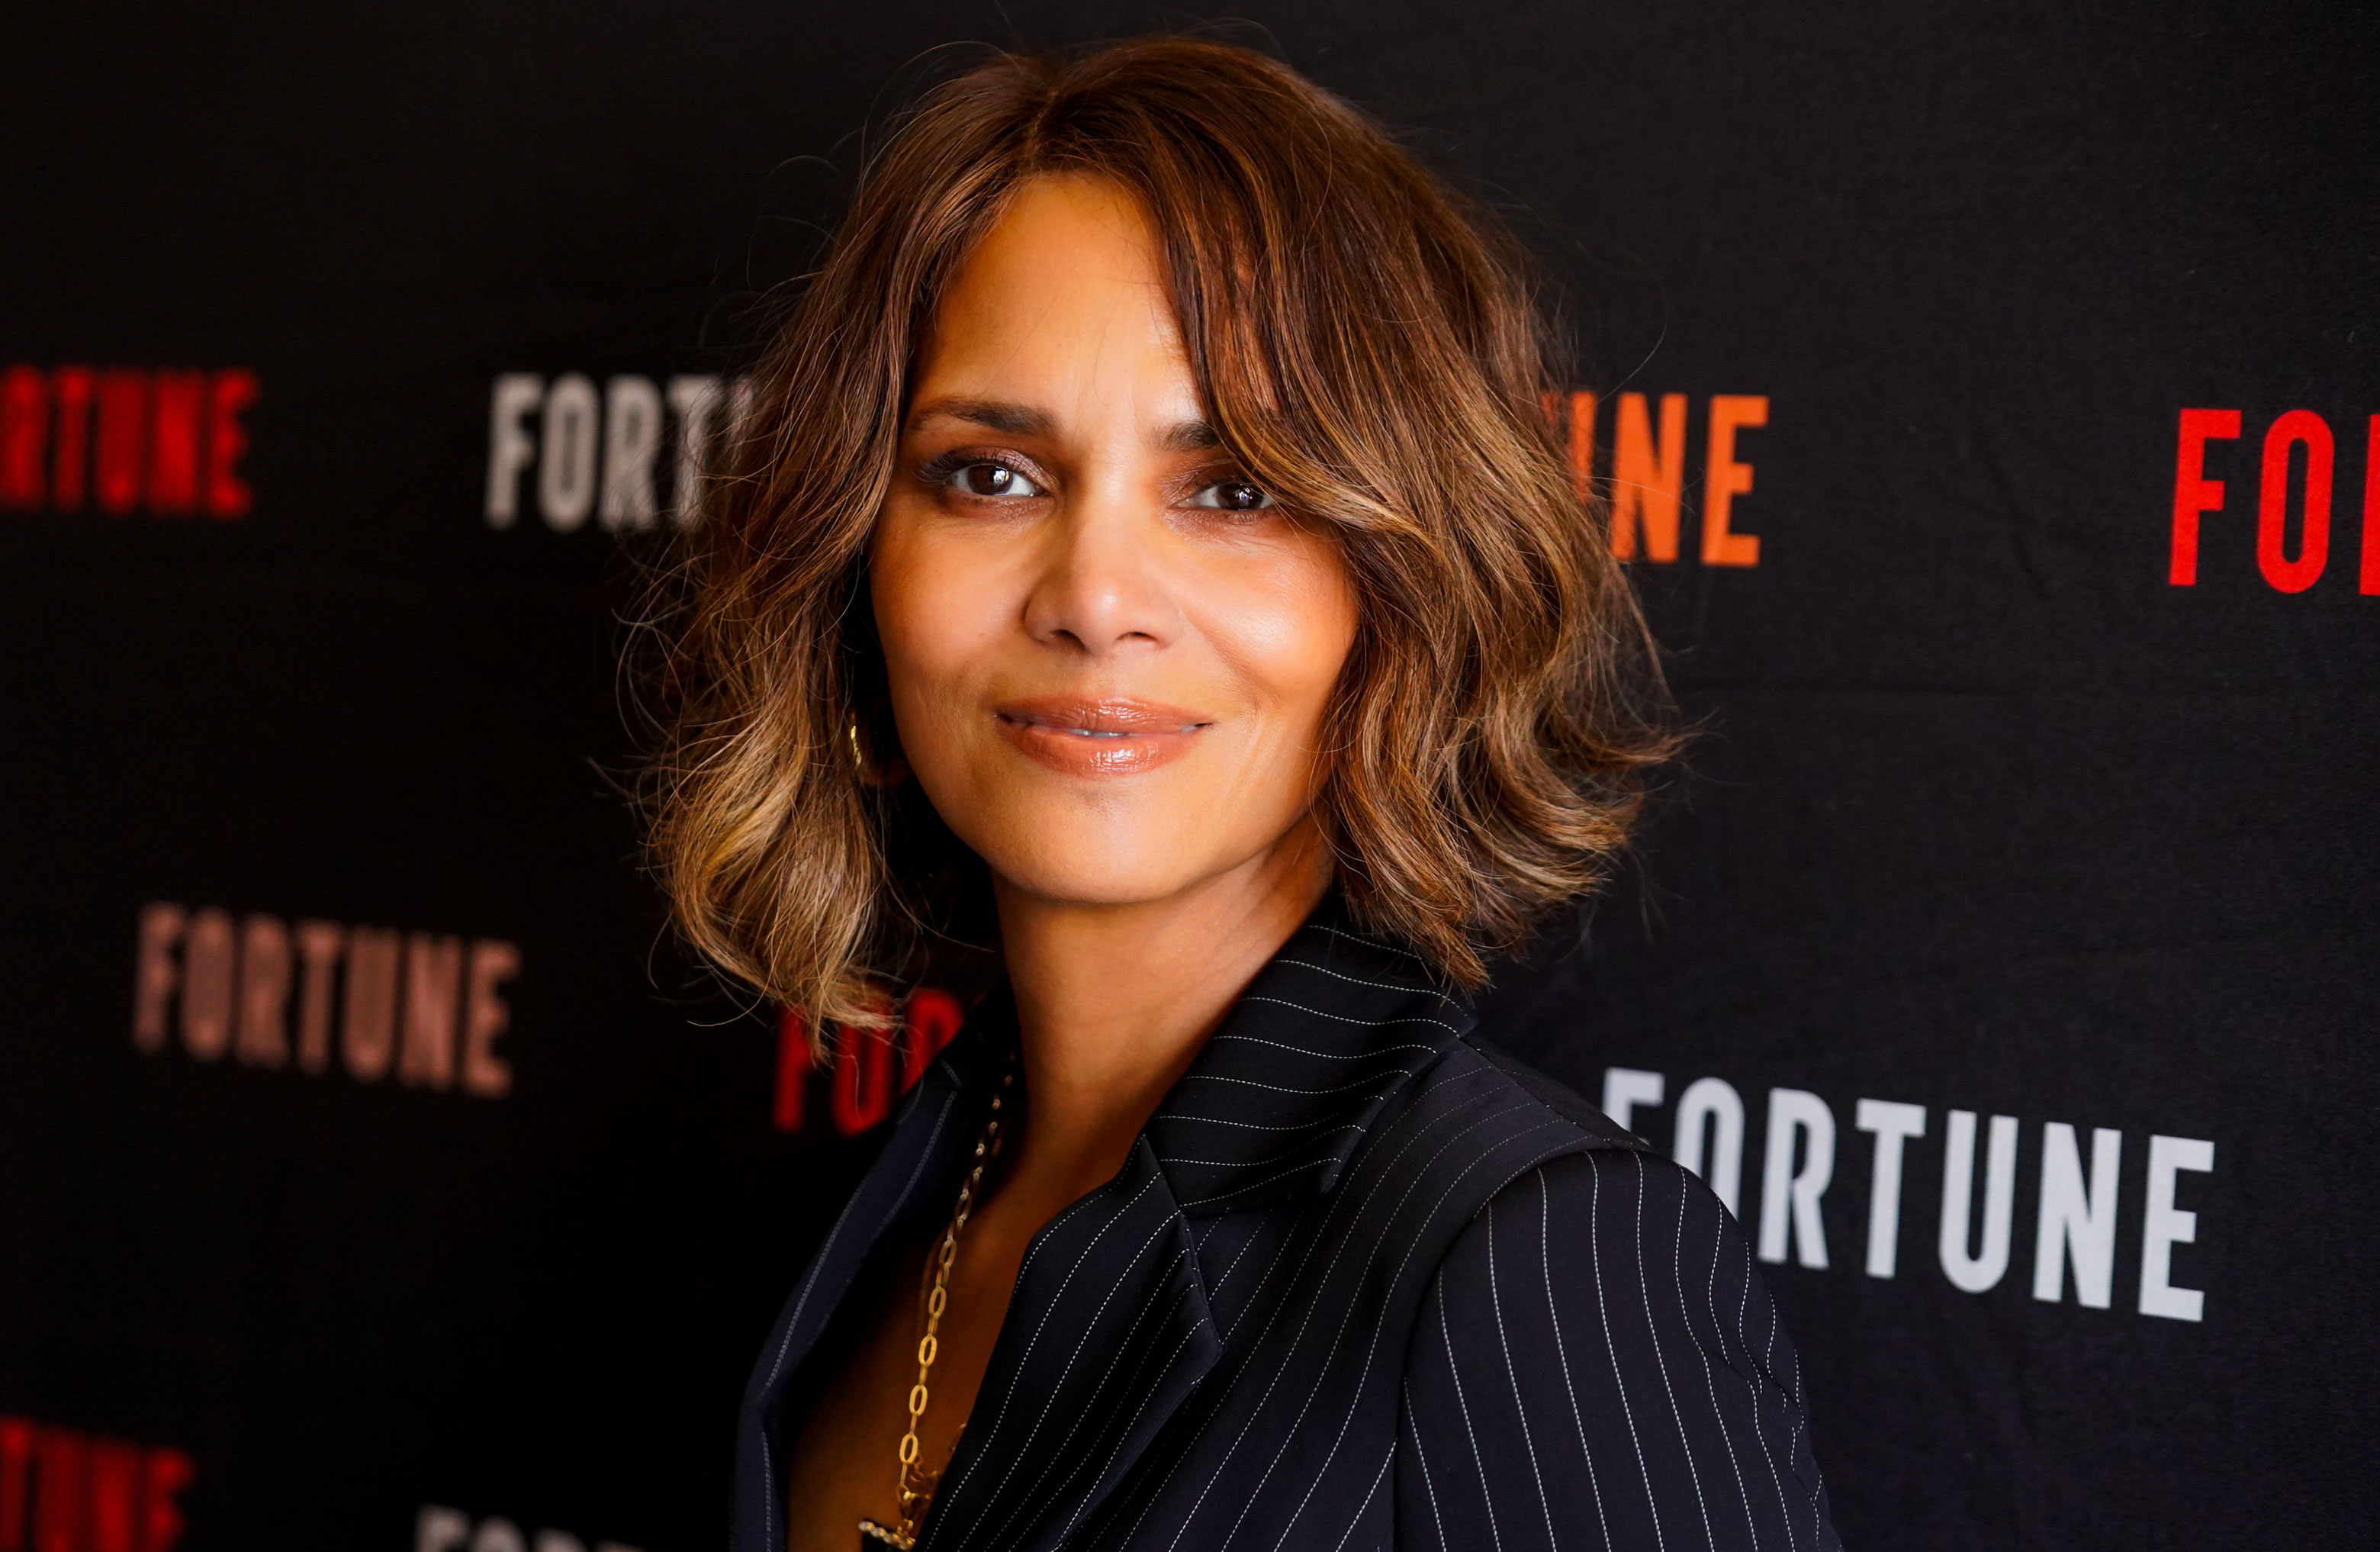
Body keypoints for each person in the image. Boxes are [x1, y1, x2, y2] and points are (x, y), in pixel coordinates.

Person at [647, 36, 1840, 1552]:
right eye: (990, 475)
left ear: (1403, 591)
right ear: (853, 567)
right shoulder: (845, 1228)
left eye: (1232, 489)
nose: (1095, 598)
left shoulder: (1531, 1259)